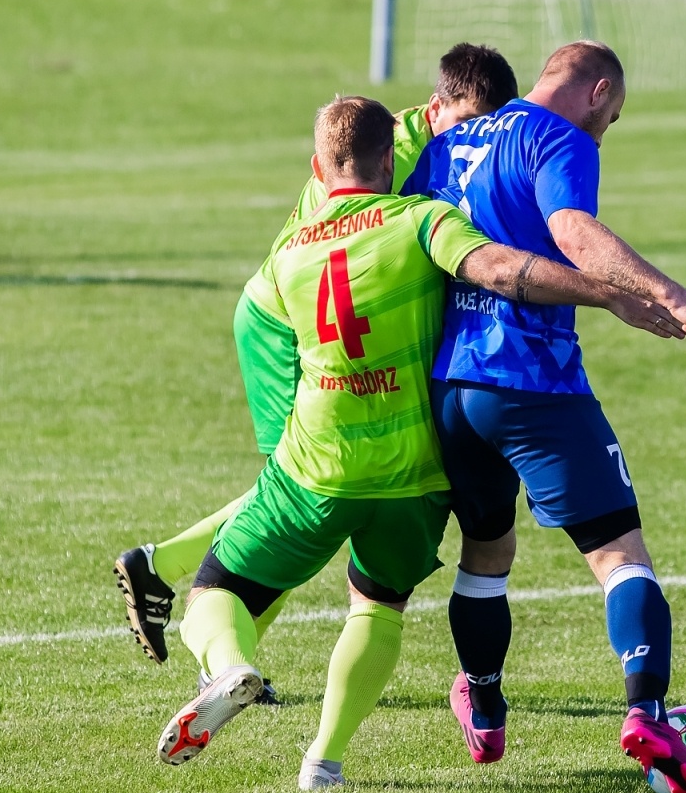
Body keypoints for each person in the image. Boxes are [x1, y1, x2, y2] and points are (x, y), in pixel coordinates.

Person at [154, 96, 684, 791]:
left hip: (318, 463)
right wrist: (606, 293)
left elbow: (262, 330)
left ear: (318, 167)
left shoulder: (288, 254)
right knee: (375, 606)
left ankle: (228, 667)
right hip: (413, 474)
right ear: (387, 161)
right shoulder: (420, 220)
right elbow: (497, 270)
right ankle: (324, 760)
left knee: (215, 590)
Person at [116, 44, 520, 677]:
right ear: (436, 108)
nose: (476, 141)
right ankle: (196, 622)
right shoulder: (400, 149)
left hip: (312, 312)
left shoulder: (414, 140)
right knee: (303, 487)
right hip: (282, 321)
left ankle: (169, 578)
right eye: (468, 124)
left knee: (314, 483)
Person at [402, 41, 686, 793]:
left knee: (485, 552)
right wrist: (670, 293)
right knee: (621, 556)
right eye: (611, 119)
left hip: (452, 386)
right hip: (532, 383)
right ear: (598, 92)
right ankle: (647, 718)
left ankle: (483, 708)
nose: (604, 133)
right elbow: (575, 229)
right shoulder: (559, 139)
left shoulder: (452, 140)